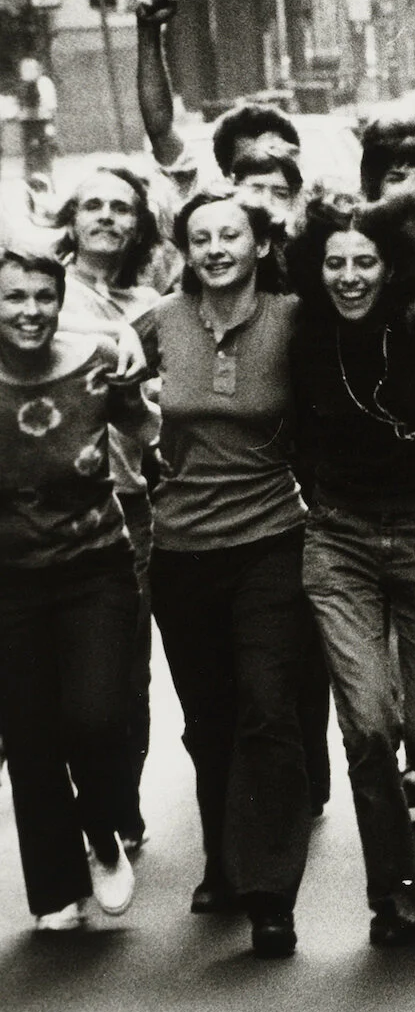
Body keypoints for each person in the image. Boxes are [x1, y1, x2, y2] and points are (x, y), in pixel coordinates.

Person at [288, 186, 415, 947]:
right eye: (334, 261)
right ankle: (393, 895)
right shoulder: (302, 329)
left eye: (364, 260)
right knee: (369, 725)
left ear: (391, 266)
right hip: (338, 540)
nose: (347, 275)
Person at [135, 191, 313, 957]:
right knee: (209, 719)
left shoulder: (293, 315)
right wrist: (143, 441)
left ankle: (271, 890)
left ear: (258, 241)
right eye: (199, 236)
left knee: (268, 707)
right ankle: (221, 855)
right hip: (179, 551)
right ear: (184, 248)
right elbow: (98, 382)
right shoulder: (159, 321)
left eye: (229, 234)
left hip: (271, 537)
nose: (214, 247)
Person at [0, 248, 151, 930]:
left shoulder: (97, 358)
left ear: (61, 299)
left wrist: (129, 350)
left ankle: (105, 829)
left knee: (94, 713)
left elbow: (145, 427)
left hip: (94, 563)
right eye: (12, 298)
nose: (29, 310)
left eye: (41, 296)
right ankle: (56, 887)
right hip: (9, 579)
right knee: (28, 734)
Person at [53, 163, 165, 848]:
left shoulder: (151, 303)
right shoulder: (40, 295)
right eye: (92, 204)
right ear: (70, 219)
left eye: (121, 207)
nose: (105, 216)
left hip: (133, 499)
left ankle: (117, 807)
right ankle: (88, 794)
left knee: (127, 666)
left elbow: (157, 410)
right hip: (53, 500)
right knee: (65, 671)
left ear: (138, 225)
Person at [134, 0, 300, 199]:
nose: (264, 196)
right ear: (227, 176)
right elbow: (160, 130)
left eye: (274, 164)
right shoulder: (211, 214)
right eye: (251, 170)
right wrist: (149, 32)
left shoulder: (310, 221)